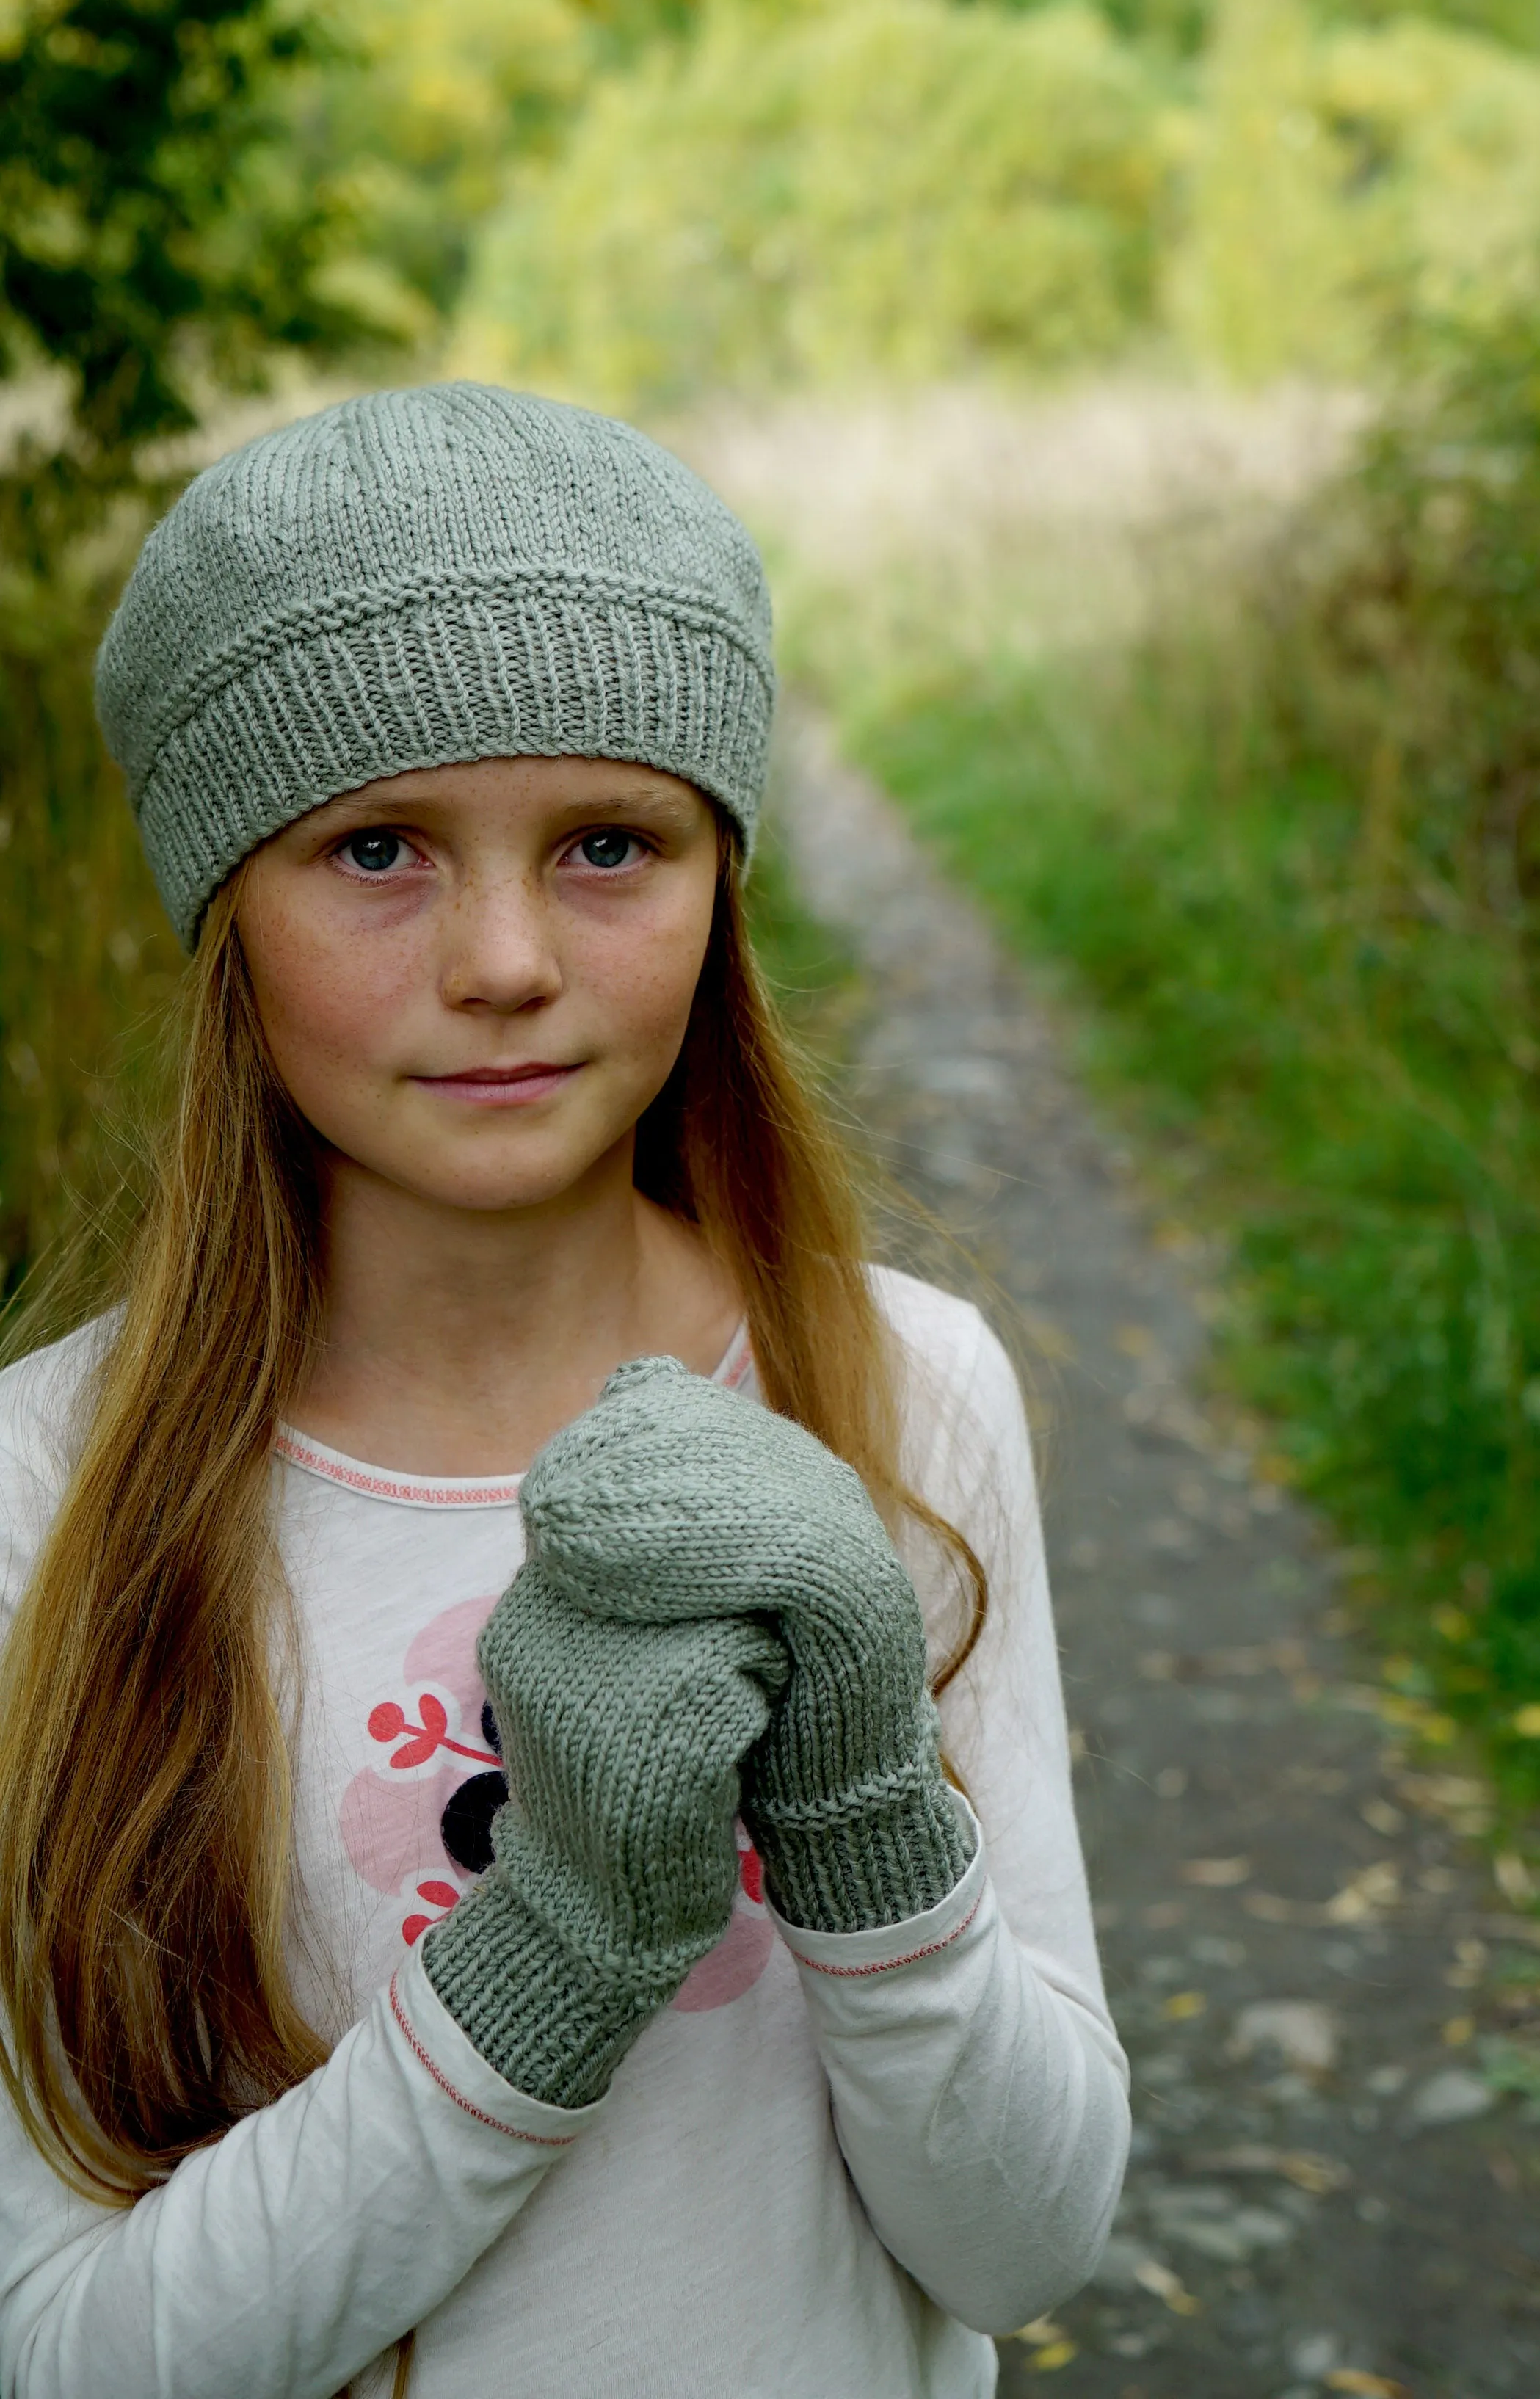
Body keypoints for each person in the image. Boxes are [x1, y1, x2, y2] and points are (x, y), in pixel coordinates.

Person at [0, 385, 1128, 2398]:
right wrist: (546, 1960)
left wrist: (870, 1811)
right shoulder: (39, 1498)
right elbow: (71, 2352)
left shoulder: (897, 1399)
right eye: (377, 851)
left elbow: (1026, 2241)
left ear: (723, 882)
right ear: (223, 911)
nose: (507, 957)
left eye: (610, 842)